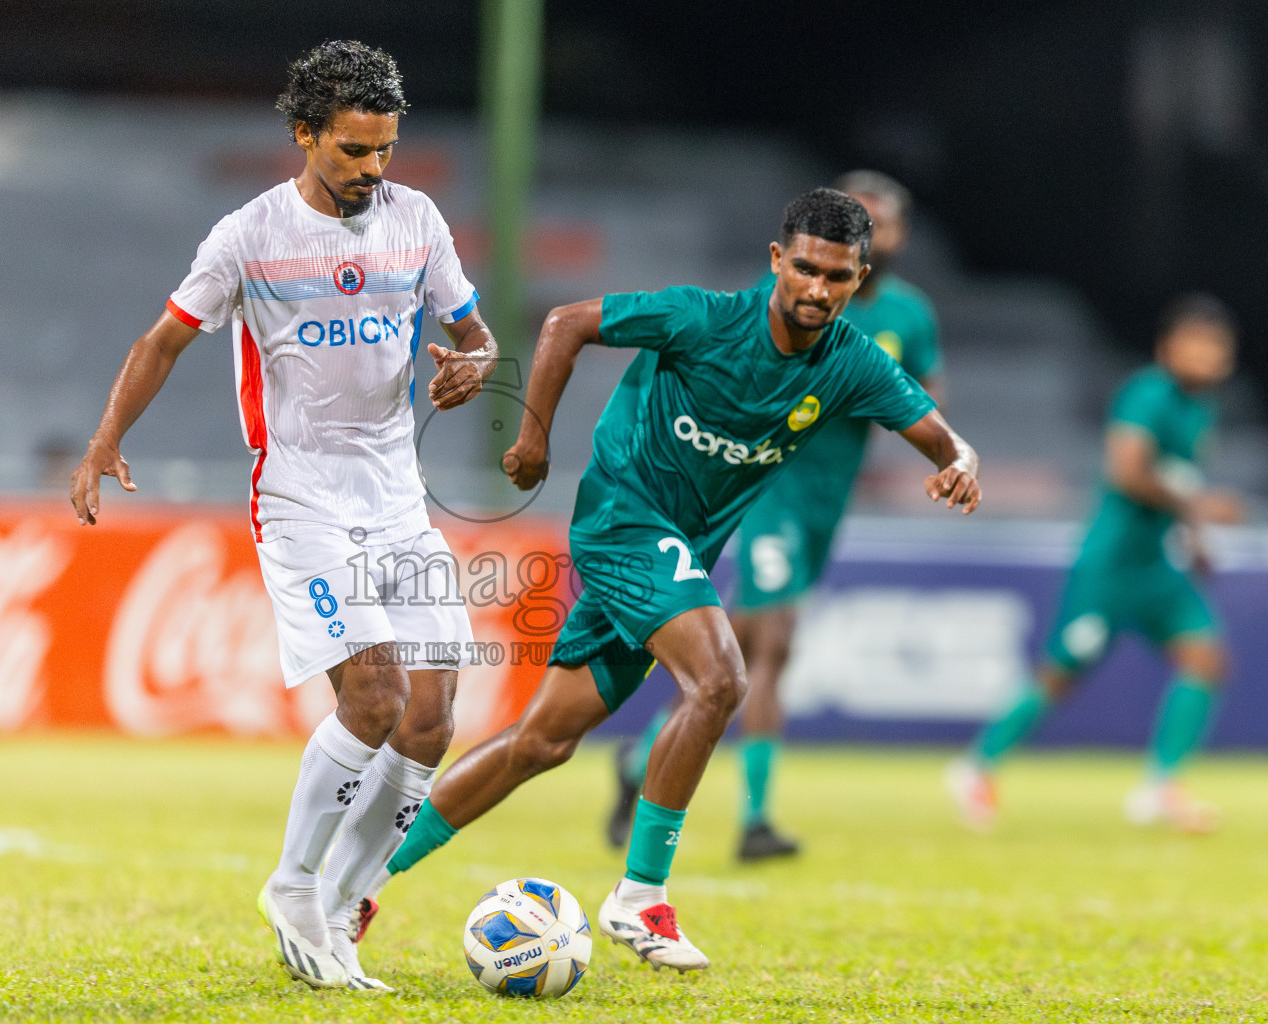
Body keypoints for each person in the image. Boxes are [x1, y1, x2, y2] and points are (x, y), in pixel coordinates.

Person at [367, 188, 983, 974]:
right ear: (776, 261)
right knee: (721, 678)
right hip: (623, 519)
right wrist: (532, 442)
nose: (816, 290)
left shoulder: (853, 362)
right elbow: (567, 323)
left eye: (836, 277)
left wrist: (959, 465)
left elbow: (940, 436)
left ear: (859, 278)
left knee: (541, 743)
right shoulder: (703, 319)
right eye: (803, 268)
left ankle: (362, 880)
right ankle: (639, 899)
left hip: (674, 549)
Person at [69, 40, 499, 991]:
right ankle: (293, 882)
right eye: (353, 150)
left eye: (385, 148)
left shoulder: (415, 219)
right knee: (375, 699)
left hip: (397, 495)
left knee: (433, 715)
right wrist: (104, 442)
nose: (373, 170)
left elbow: (474, 328)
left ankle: (340, 905)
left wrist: (475, 361)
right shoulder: (248, 237)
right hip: (302, 496)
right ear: (305, 134)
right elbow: (164, 340)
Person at [606, 171, 944, 862]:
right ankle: (756, 818)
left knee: (741, 638)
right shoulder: (790, 305)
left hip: (827, 500)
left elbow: (921, 395)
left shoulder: (908, 317)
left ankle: (640, 759)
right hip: (770, 485)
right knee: (774, 640)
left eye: (880, 220)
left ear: (889, 241)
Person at [947, 295, 1240, 833]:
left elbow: (1180, 480)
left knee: (1205, 659)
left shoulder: (1202, 409)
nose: (1206, 356)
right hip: (1110, 567)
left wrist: (1194, 537)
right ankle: (976, 766)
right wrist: (1198, 508)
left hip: (1156, 566)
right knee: (1062, 674)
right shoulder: (1147, 393)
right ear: (1167, 346)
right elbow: (1128, 472)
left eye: (1216, 348)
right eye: (1196, 344)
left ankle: (1160, 786)